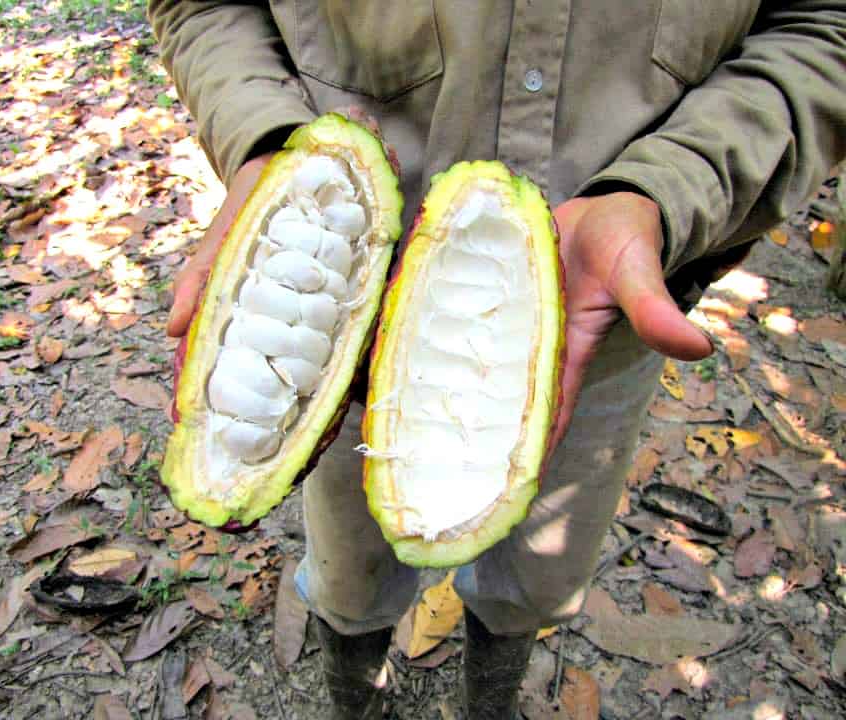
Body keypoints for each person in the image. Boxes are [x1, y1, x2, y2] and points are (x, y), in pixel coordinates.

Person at [149, 3, 846, 718]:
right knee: (346, 571)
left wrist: (669, 186)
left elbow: (827, 23)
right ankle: (354, 694)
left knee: (538, 577)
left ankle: (492, 695)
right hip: (340, 338)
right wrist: (265, 142)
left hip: (601, 313)